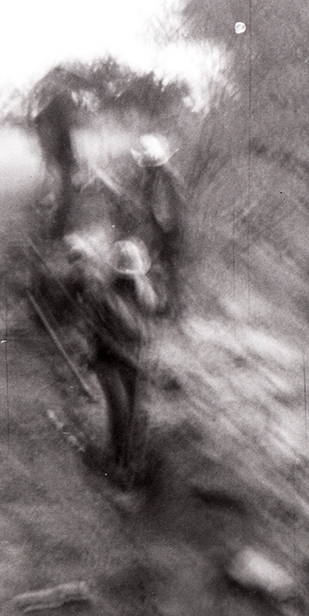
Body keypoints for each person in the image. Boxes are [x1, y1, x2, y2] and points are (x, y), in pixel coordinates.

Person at [69, 235, 156, 488]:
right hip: (108, 360)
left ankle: (131, 466)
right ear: (116, 274)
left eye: (134, 275)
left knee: (137, 416)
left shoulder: (144, 292)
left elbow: (148, 326)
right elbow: (101, 337)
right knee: (120, 412)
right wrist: (131, 359)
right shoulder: (101, 296)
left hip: (135, 360)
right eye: (125, 276)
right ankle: (115, 466)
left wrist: (144, 358)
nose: (130, 280)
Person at [131, 134, 184, 317]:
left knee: (169, 268)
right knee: (162, 267)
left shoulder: (165, 178)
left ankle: (171, 307)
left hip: (168, 230)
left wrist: (160, 233)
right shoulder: (155, 177)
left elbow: (166, 211)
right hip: (163, 229)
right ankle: (164, 304)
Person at [34, 91, 78, 239]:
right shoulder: (57, 117)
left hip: (56, 159)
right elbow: (64, 143)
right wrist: (72, 162)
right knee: (65, 196)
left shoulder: (46, 117)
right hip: (61, 161)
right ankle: (57, 233)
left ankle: (56, 229)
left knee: (59, 195)